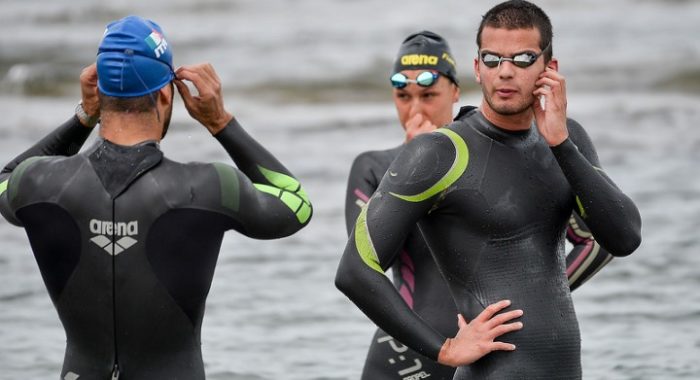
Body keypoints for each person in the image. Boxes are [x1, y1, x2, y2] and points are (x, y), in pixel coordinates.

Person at [336, 1, 641, 378]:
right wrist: (444, 349)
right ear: (478, 68)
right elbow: (354, 270)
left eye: (523, 58)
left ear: (550, 68)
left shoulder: (569, 139)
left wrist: (561, 143)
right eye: (493, 59)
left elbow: (623, 237)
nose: (506, 72)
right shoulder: (439, 153)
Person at [0, 16, 311, 380]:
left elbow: (5, 179)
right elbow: (295, 204)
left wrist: (83, 117)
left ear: (97, 91)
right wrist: (221, 122)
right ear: (166, 94)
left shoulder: (41, 183)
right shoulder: (208, 186)